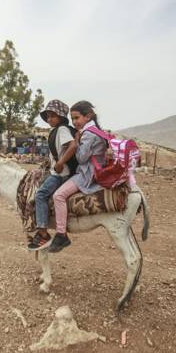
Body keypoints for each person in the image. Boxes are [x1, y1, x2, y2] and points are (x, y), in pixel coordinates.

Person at [49, 101, 107, 253]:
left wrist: (76, 141)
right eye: (72, 119)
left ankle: (61, 234)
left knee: (58, 195)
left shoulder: (88, 134)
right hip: (93, 170)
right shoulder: (97, 130)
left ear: (88, 116)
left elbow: (81, 158)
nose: (74, 122)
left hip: (87, 174)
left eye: (77, 118)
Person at [28, 100, 77, 250]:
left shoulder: (62, 130)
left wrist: (61, 162)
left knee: (41, 195)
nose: (49, 119)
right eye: (47, 116)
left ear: (61, 117)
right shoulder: (58, 130)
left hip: (61, 174)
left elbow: (73, 145)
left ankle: (43, 232)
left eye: (52, 116)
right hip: (57, 171)